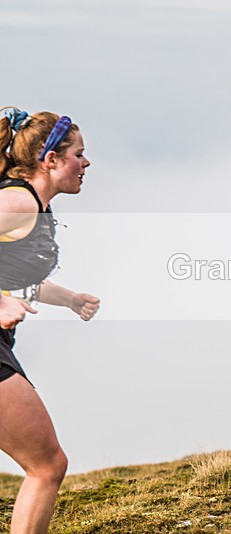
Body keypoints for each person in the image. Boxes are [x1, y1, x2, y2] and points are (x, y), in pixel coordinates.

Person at [0, 107, 100, 533]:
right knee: (47, 464)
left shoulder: (30, 204)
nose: (87, 162)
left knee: (45, 464)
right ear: (52, 159)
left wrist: (69, 298)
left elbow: (12, 275)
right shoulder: (18, 200)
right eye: (79, 153)